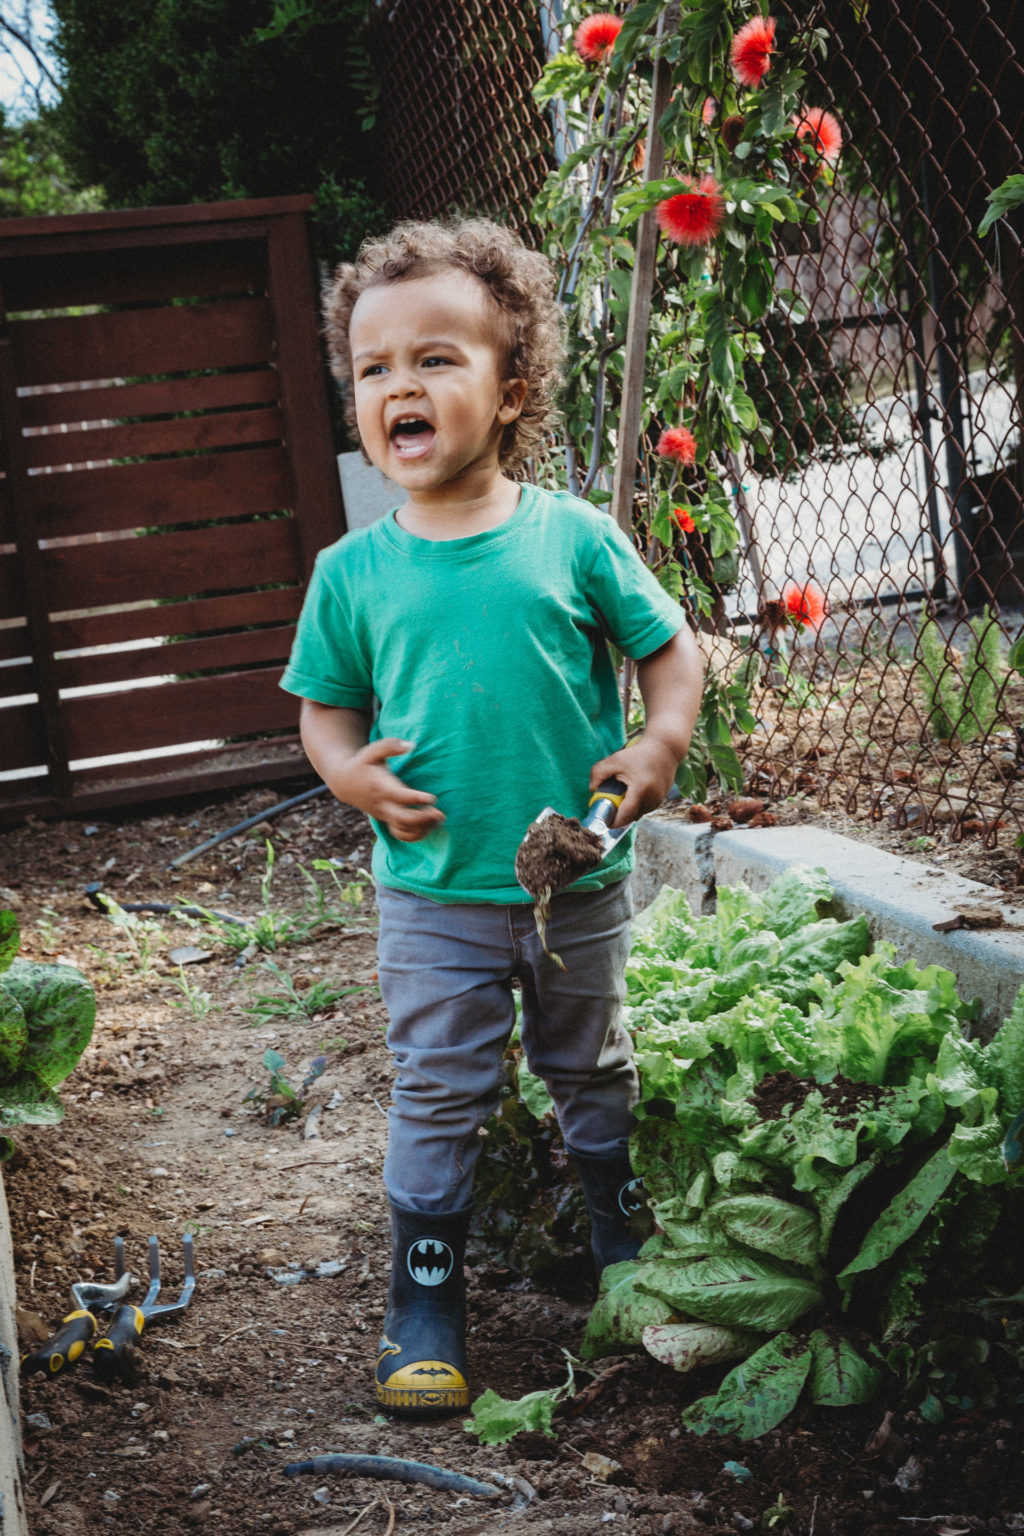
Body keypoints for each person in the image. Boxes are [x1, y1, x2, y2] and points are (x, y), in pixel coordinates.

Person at [280, 217, 704, 1418]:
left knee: (593, 1068)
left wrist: (658, 738)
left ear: (511, 393)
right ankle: (425, 1300)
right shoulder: (350, 574)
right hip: (429, 892)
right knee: (437, 1089)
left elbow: (669, 652)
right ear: (354, 398)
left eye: (436, 360)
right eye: (373, 369)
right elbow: (322, 714)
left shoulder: (570, 536)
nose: (398, 386)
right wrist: (348, 775)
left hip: (575, 883)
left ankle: (626, 1249)